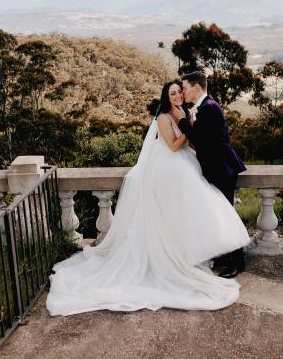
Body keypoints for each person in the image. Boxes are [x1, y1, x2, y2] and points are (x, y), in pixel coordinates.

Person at [46, 80, 250, 316]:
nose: (177, 96)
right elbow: (173, 146)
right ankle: (181, 257)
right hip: (170, 165)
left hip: (187, 163)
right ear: (166, 96)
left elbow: (195, 142)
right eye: (173, 93)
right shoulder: (163, 117)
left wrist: (188, 126)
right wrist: (187, 126)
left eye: (179, 92)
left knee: (196, 210)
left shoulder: (186, 110)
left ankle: (206, 254)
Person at [171, 71, 247, 278]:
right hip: (216, 168)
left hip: (222, 168)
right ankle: (225, 256)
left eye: (185, 88)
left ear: (197, 88)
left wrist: (181, 120)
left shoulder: (209, 108)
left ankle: (238, 262)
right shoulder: (204, 107)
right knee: (219, 214)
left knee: (226, 215)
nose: (183, 92)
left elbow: (199, 139)